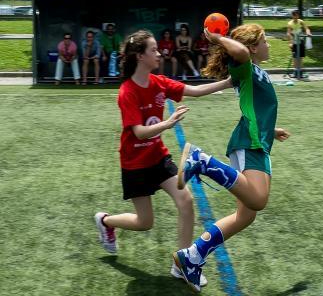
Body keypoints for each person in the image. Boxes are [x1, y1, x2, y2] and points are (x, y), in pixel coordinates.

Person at [93, 30, 233, 287]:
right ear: (139, 56)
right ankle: (105, 221)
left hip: (157, 157)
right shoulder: (127, 92)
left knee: (186, 200)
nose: (159, 53)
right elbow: (139, 131)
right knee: (145, 222)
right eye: (153, 50)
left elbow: (193, 90)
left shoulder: (159, 82)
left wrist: (226, 83)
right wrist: (168, 124)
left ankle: (182, 263)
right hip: (134, 163)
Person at [172, 24, 291, 292]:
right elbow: (239, 52)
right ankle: (202, 161)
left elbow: (254, 107)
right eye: (264, 41)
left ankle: (192, 257)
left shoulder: (255, 72)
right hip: (249, 142)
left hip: (257, 140)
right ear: (251, 48)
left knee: (245, 215)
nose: (269, 45)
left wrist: (272, 130)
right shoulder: (245, 66)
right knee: (258, 200)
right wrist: (216, 37)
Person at [286, 10, 311, 79]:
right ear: (292, 16)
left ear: (298, 16)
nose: (296, 17)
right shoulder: (290, 23)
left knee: (300, 57)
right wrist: (290, 43)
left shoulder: (301, 22)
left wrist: (308, 32)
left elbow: (306, 29)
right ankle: (295, 72)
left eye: (297, 15)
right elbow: (288, 33)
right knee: (295, 57)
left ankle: (300, 72)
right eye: (294, 16)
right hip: (294, 42)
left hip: (301, 41)